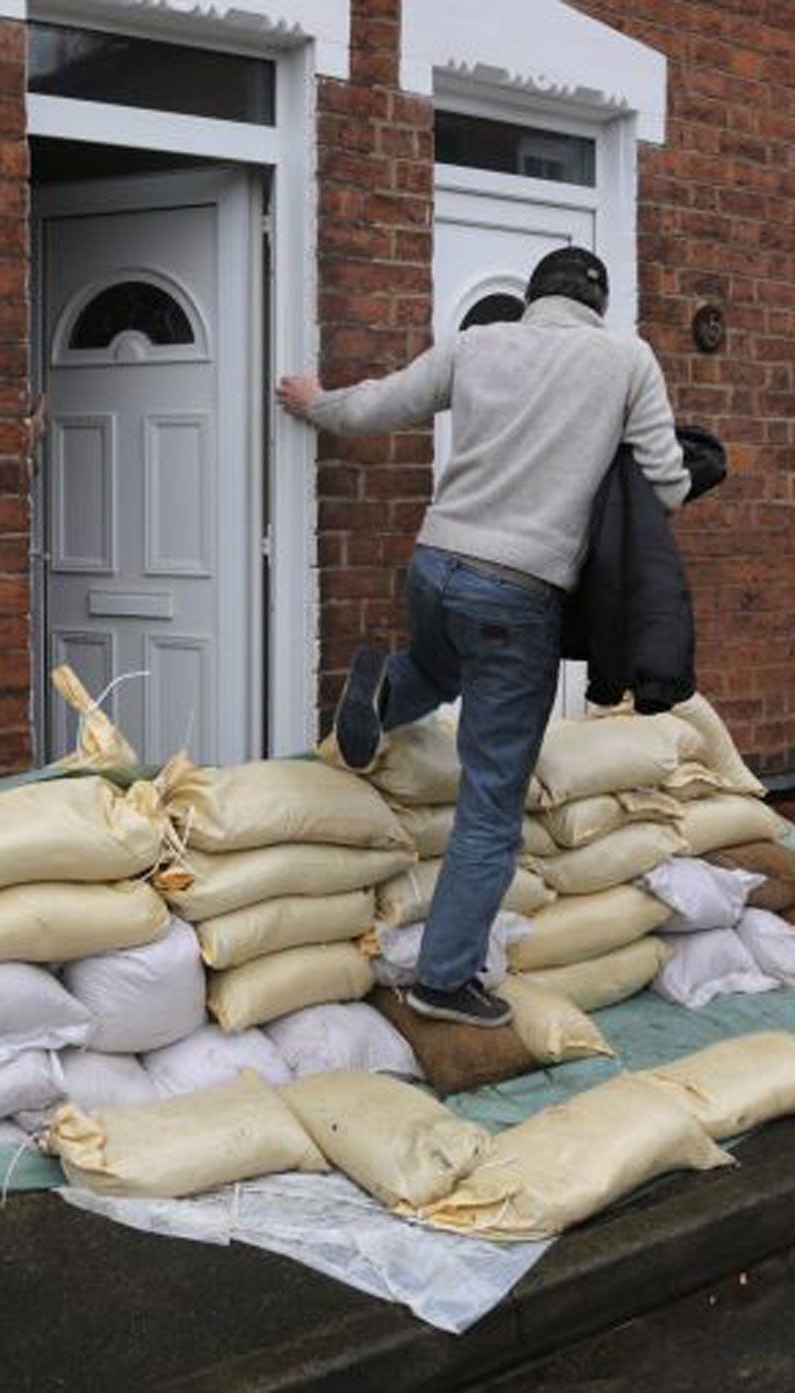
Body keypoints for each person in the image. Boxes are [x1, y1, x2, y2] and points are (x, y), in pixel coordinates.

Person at [275, 247, 688, 1027]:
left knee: (437, 666)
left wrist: (315, 400)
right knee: (492, 802)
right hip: (518, 591)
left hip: (435, 563)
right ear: (599, 305)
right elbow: (665, 484)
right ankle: (444, 979)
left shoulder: (478, 343)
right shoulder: (627, 361)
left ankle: (385, 687)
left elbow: (380, 406)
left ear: (531, 298)